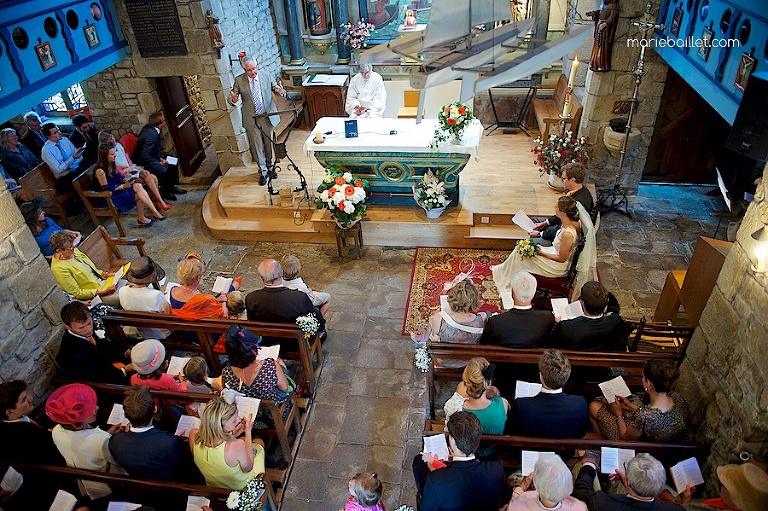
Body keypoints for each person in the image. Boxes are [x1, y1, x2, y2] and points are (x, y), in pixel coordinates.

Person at [492, 196, 597, 298]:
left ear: (563, 213)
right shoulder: (571, 221)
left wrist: (540, 253)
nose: (554, 207)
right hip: (554, 252)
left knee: (521, 257)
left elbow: (561, 258)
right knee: (519, 250)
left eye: (556, 207)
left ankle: (511, 285)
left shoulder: (568, 234)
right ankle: (503, 271)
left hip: (557, 266)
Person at [413, 411, 510, 511]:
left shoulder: (435, 479)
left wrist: (435, 470)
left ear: (452, 439)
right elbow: (506, 498)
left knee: (418, 461)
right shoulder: (496, 469)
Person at [108, 385, 203, 482]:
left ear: (125, 415)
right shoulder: (170, 443)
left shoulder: (114, 441)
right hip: (172, 484)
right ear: (155, 409)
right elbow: (188, 466)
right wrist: (173, 441)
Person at [46, 383, 124, 499]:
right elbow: (117, 460)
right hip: (105, 485)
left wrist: (106, 434)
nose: (97, 408)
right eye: (90, 409)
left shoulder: (56, 431)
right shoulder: (101, 440)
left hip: (80, 483)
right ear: (79, 419)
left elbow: (88, 445)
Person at [0, 381, 67, 510]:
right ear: (10, 412)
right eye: (24, 400)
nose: (30, 398)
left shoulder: (9, 423)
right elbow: (57, 458)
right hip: (49, 477)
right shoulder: (30, 435)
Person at [589, 359, 689, 442]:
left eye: (643, 377)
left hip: (639, 444)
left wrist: (618, 414)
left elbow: (625, 436)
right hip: (666, 441)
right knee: (603, 402)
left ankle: (604, 442)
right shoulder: (676, 397)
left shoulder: (645, 416)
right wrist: (630, 406)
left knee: (594, 406)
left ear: (649, 384)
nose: (642, 380)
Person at [217, 324, 293, 425]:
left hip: (248, 418)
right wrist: (282, 366)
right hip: (275, 415)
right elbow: (284, 388)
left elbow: (228, 393)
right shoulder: (270, 365)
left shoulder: (226, 373)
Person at [230, 56, 285, 185]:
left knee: (269, 144)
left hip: (267, 116)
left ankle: (271, 168)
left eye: (254, 68)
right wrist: (233, 99)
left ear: (257, 66)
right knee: (257, 146)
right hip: (252, 118)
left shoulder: (266, 76)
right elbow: (233, 96)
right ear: (244, 70)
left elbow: (276, 89)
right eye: (249, 70)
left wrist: (280, 91)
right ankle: (263, 172)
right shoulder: (239, 80)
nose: (253, 72)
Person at [188, 397, 266, 489]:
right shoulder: (237, 445)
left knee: (243, 439)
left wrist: (232, 434)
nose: (239, 419)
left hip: (215, 487)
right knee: (258, 443)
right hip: (241, 488)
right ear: (220, 426)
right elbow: (248, 468)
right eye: (234, 420)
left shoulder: (193, 434)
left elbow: (216, 446)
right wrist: (248, 431)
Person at [411, 279, 490, 369]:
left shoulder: (438, 318)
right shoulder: (482, 318)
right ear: (474, 300)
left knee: (434, 334)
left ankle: (420, 339)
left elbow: (426, 338)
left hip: (445, 361)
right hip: (470, 360)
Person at [509, 349, 588, 438]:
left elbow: (514, 432)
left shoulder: (521, 405)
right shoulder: (579, 404)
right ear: (567, 377)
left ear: (540, 376)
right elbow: (580, 434)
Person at [245, 258, 326, 340]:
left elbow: (252, 323)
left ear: (261, 278)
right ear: (281, 274)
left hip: (266, 341)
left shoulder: (251, 299)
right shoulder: (299, 298)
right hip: (294, 343)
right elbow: (318, 322)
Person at [572, 452, 683, 510]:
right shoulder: (675, 509)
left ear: (628, 483)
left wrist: (589, 464)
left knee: (579, 466)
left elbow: (582, 490)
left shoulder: (604, 504)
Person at [57, 301, 133, 383]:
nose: (88, 329)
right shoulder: (72, 353)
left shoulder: (83, 332)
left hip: (110, 366)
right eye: (81, 328)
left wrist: (125, 352)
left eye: (89, 323)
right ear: (67, 327)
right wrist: (124, 370)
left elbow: (103, 345)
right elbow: (94, 377)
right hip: (105, 382)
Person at [93, 143, 167, 226]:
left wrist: (126, 179)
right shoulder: (100, 171)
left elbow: (118, 178)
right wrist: (122, 186)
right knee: (139, 192)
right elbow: (106, 189)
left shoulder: (111, 164)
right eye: (112, 154)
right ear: (104, 156)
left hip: (118, 191)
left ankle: (151, 214)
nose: (115, 156)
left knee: (138, 186)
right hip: (109, 197)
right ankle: (149, 215)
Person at [98, 130, 171, 211]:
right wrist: (126, 175)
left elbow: (126, 157)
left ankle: (158, 203)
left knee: (150, 175)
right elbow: (112, 179)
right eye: (110, 140)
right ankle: (157, 205)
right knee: (147, 181)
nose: (113, 141)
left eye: (113, 138)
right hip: (123, 174)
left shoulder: (118, 147)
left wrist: (131, 165)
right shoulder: (105, 160)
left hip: (129, 170)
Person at [479, 271, 554, 348]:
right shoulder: (548, 318)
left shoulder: (495, 321)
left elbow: (484, 346)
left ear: (512, 293)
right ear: (534, 293)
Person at [49, 230, 125, 306]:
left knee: (130, 286)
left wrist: (106, 274)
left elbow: (92, 269)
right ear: (59, 251)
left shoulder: (74, 252)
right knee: (126, 295)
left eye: (73, 244)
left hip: (104, 282)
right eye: (70, 247)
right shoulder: (59, 268)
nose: (74, 248)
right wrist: (104, 292)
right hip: (95, 296)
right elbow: (77, 293)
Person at [547, 281, 629, 351]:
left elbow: (551, 343)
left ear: (581, 302)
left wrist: (556, 324)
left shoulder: (565, 327)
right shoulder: (616, 321)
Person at [529, 163, 594, 245]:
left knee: (529, 243)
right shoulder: (579, 191)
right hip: (559, 226)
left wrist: (540, 234)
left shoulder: (578, 203)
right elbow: (561, 213)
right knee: (533, 221)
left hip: (562, 238)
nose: (561, 180)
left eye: (563, 178)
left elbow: (564, 229)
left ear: (572, 180)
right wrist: (545, 223)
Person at [456, 358, 509, 457]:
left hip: (468, 455)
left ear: (466, 382)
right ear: (489, 383)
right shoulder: (503, 404)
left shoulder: (458, 409)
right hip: (494, 454)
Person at [132, 111, 185, 201]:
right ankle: (166, 192)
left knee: (174, 160)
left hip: (154, 156)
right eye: (164, 120)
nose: (165, 122)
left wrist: (161, 158)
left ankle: (171, 187)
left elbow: (154, 151)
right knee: (163, 170)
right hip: (144, 162)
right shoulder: (151, 135)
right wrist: (159, 162)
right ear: (159, 124)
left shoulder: (153, 129)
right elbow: (144, 155)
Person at [507, 453, 587, 510]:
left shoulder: (519, 505)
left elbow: (513, 505)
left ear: (536, 485)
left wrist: (522, 487)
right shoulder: (580, 507)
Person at [118, 256, 172, 340]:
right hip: (160, 333)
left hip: (143, 332)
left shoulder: (122, 291)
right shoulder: (156, 295)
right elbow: (167, 316)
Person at [40, 122, 86, 188]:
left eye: (58, 130)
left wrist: (76, 161)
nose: (60, 133)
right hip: (65, 176)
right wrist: (72, 158)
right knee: (82, 178)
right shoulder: (47, 150)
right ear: (48, 136)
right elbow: (58, 170)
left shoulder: (64, 140)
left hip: (76, 168)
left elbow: (78, 156)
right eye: (55, 133)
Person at [586, 0, 620, 72]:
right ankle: (595, 63)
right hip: (600, 26)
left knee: (602, 47)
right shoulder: (604, 4)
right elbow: (601, 12)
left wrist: (605, 24)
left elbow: (613, 17)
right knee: (596, 47)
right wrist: (594, 14)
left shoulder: (614, 5)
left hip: (605, 31)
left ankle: (601, 64)